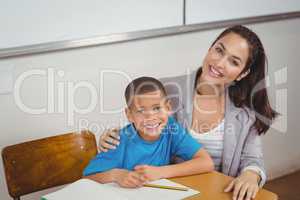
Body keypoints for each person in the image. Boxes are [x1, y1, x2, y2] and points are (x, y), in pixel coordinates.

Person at [98, 25, 277, 200]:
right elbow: (140, 128)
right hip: (169, 192)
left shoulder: (246, 110)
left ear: (242, 73)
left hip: (220, 194)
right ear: (210, 48)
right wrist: (113, 138)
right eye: (219, 50)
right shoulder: (167, 90)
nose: (220, 63)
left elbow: (253, 158)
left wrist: (251, 174)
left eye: (234, 61)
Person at [83, 77, 214, 188]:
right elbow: (88, 178)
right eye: (141, 111)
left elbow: (206, 162)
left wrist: (160, 172)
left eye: (157, 108)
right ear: (129, 115)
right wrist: (116, 175)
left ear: (168, 108)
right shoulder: (118, 140)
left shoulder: (172, 129)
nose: (150, 117)